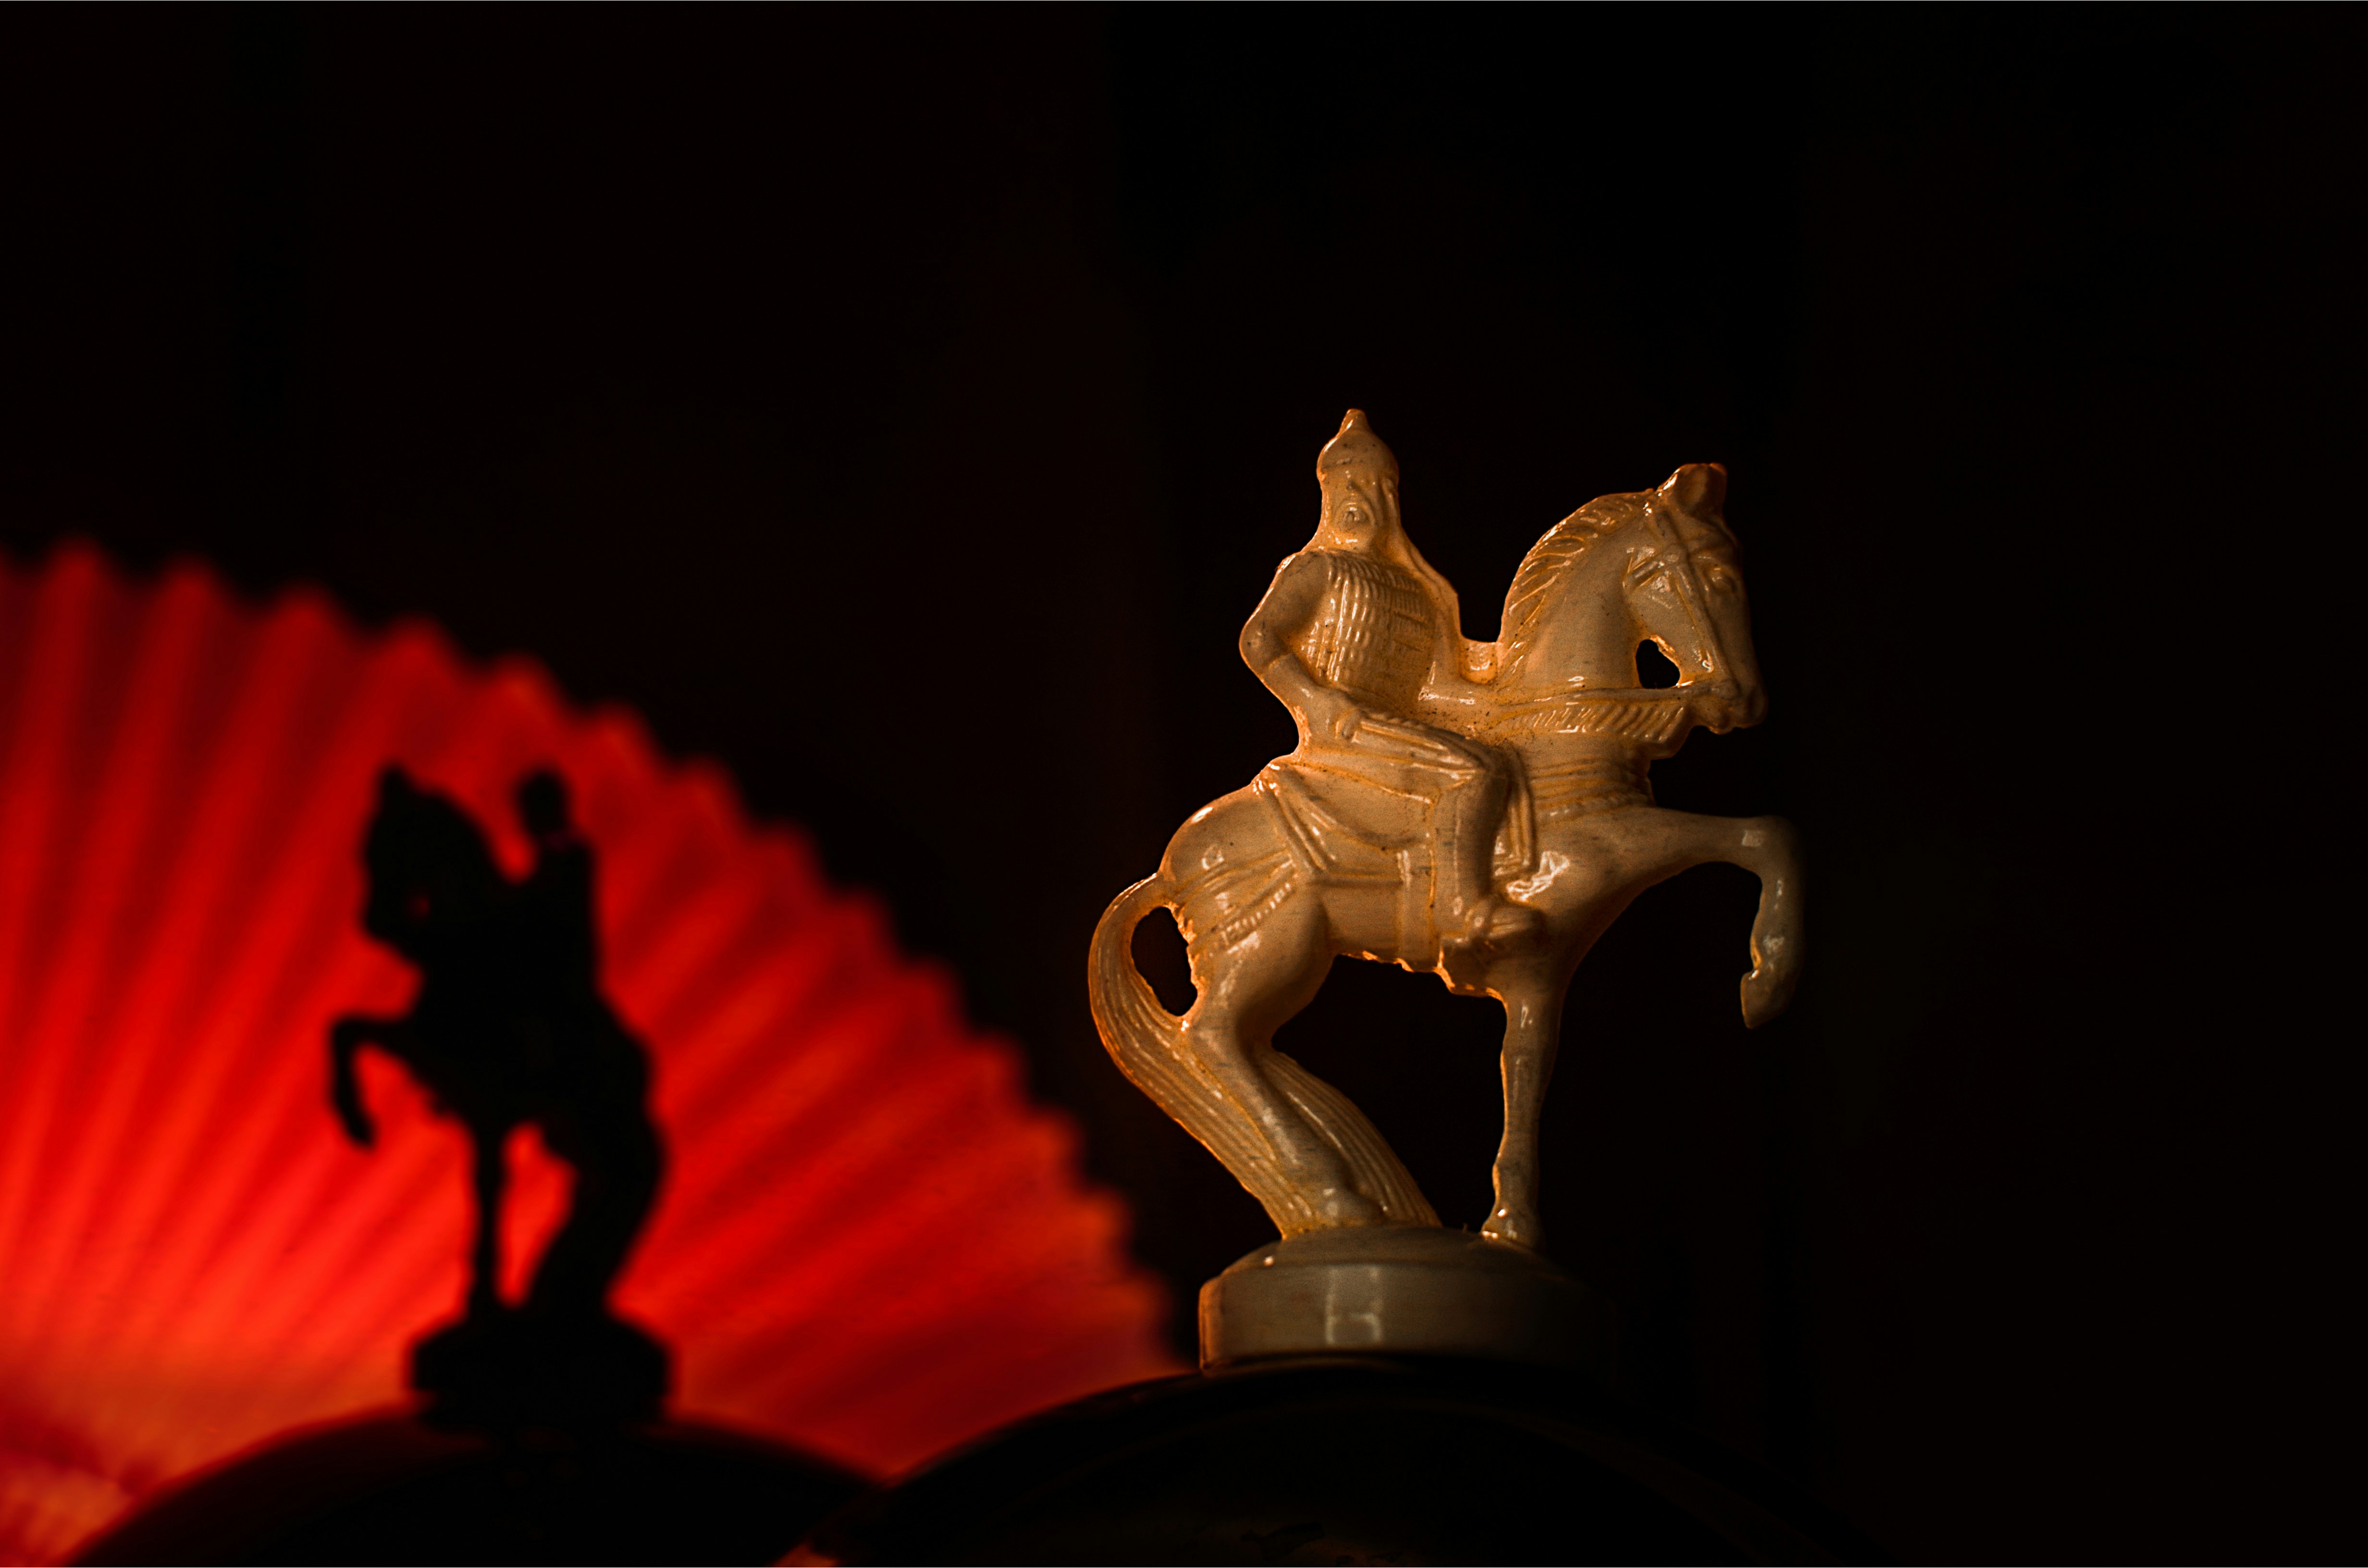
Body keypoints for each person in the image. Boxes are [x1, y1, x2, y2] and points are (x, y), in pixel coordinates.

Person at [1238, 410, 1538, 954]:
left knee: (1502, 758)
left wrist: (1514, 702)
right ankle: (1460, 909)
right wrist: (1312, 696)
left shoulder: (1420, 591)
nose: (1359, 495)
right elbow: (1258, 639)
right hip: (1344, 728)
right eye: (1345, 484)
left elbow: (1437, 693)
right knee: (1474, 772)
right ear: (1327, 492)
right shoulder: (1313, 570)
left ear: (1390, 496)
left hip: (1393, 723)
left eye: (1373, 485)